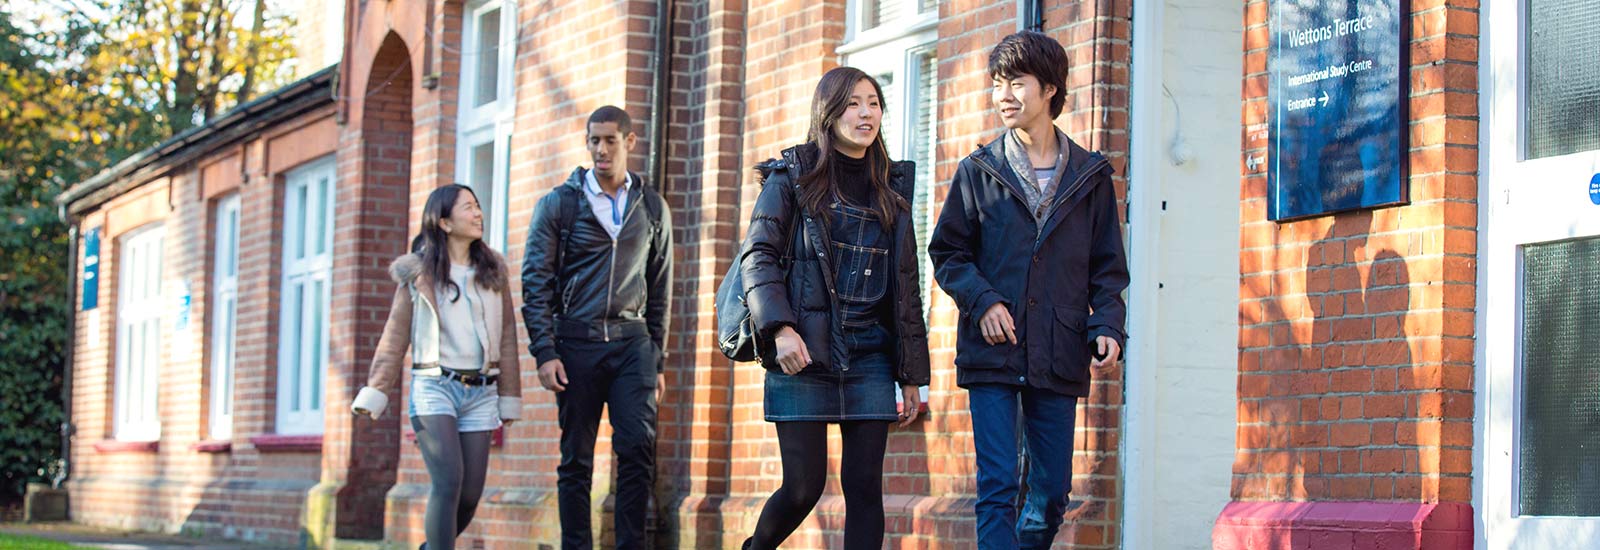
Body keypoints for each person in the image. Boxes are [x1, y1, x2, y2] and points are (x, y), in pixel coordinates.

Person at [927, 31, 1129, 549]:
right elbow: (948, 253)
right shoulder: (978, 172)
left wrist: (1106, 324)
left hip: (1059, 348)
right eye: (997, 84)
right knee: (997, 486)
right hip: (993, 348)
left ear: (1050, 91)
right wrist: (983, 299)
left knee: (1051, 491)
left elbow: (1108, 265)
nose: (1003, 96)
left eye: (1016, 83)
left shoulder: (1089, 177)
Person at [737, 66, 931, 550]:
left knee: (865, 488)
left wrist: (911, 375)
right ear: (828, 112)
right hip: (803, 351)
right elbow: (757, 256)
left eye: (873, 102)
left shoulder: (893, 188)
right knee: (803, 487)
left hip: (870, 356)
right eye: (852, 103)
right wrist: (779, 329)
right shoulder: (791, 179)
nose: (866, 113)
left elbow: (904, 287)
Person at [520, 105, 673, 550]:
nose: (601, 149)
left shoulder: (652, 207)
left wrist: (656, 359)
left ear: (629, 141)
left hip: (633, 346)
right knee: (576, 461)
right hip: (575, 345)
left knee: (637, 452)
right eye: (594, 141)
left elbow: (660, 287)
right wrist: (545, 353)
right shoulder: (560, 204)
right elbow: (536, 282)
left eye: (609, 140)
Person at [352, 184, 524, 550]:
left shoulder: (493, 271)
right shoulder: (419, 274)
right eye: (468, 208)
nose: (478, 214)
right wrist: (377, 388)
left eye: (478, 207)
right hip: (435, 388)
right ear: (444, 222)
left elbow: (507, 336)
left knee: (469, 495)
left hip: (481, 394)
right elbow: (395, 334)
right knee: (448, 481)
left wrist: (509, 395)